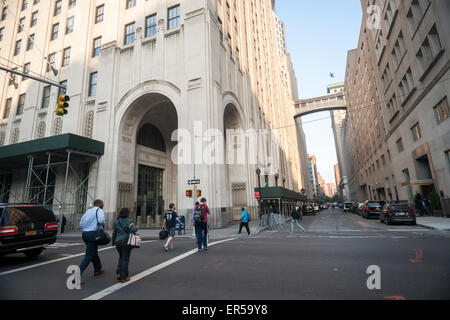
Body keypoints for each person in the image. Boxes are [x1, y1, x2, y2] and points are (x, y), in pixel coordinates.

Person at [77, 199, 106, 285]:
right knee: (89, 255)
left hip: (84, 234)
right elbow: (101, 221)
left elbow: (81, 223)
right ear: (98, 204)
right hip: (93, 234)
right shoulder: (99, 210)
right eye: (102, 203)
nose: (103, 205)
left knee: (93, 252)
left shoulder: (88, 211)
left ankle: (98, 269)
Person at [112, 208, 137, 283]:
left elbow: (114, 233)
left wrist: (113, 242)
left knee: (121, 257)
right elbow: (133, 230)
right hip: (126, 241)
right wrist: (135, 227)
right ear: (127, 213)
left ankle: (118, 273)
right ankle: (123, 277)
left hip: (117, 241)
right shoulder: (129, 220)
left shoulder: (117, 221)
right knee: (125, 259)